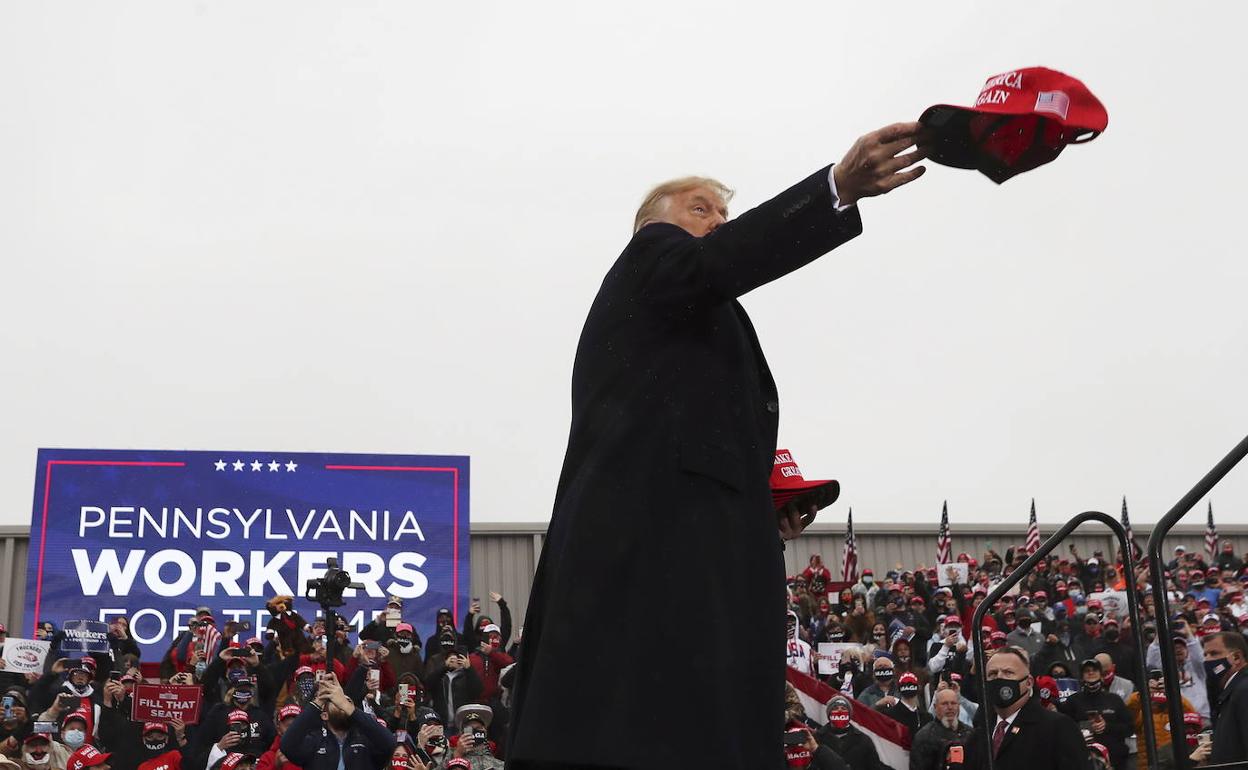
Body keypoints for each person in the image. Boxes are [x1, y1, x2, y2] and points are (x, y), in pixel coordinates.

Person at [508, 121, 929, 770]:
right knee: (664, 721)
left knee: (698, 716)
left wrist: (752, 509)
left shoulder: (688, 314)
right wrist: (835, 189)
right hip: (653, 556)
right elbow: (720, 261)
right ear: (651, 224)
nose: (719, 220)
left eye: (725, 211)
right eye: (700, 208)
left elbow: (688, 425)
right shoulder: (654, 260)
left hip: (689, 545)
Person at [965, 646, 1091, 770]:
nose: (999, 678)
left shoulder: (1058, 727)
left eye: (1008, 673)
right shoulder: (979, 734)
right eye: (992, 674)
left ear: (1029, 682)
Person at [280, 677, 395, 770]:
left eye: (346, 701)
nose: (341, 703)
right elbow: (287, 745)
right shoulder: (315, 741)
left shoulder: (365, 740)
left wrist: (349, 708)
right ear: (324, 715)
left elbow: (389, 743)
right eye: (335, 702)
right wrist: (319, 700)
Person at [1124, 669, 1196, 770]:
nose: (1157, 690)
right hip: (1148, 766)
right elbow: (1129, 711)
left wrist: (1171, 692)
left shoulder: (1176, 711)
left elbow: (1192, 717)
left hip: (1174, 765)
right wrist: (1142, 694)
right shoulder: (1142, 713)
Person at [1201, 631, 1248, 764]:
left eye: (1214, 653)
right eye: (1205, 654)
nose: (1207, 660)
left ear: (1237, 657)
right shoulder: (1230, 691)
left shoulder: (1244, 690)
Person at [814, 696, 884, 770]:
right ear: (829, 714)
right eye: (835, 708)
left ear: (849, 714)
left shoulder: (864, 740)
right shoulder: (817, 738)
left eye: (843, 708)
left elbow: (874, 766)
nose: (839, 711)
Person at [910, 688, 969, 770]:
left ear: (959, 706)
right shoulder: (924, 737)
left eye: (953, 703)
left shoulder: (970, 734)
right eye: (944, 704)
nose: (950, 707)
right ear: (935, 707)